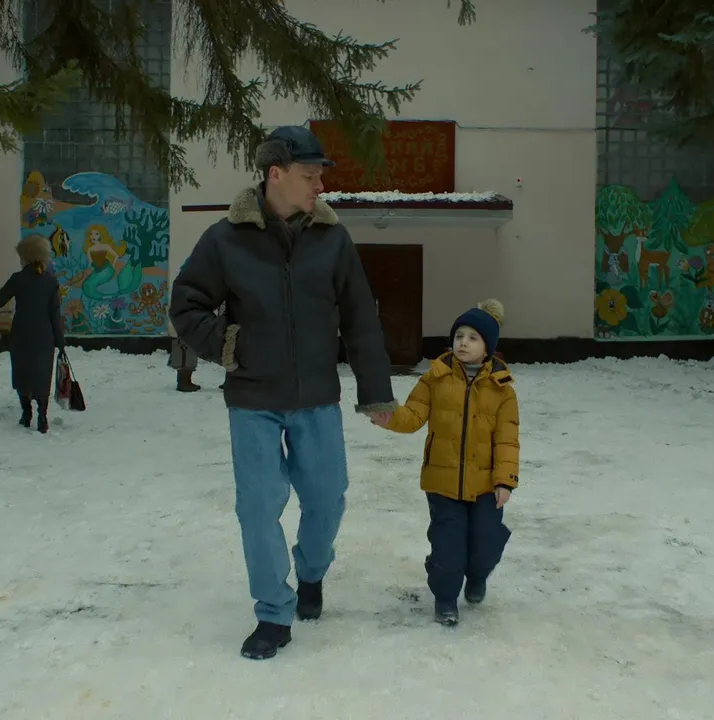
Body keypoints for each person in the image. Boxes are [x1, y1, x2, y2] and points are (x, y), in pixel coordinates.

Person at [168, 125, 396, 660]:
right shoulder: (226, 238)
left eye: (320, 176)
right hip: (253, 400)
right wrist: (230, 345)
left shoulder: (332, 239)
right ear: (276, 175)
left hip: (316, 396)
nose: (320, 185)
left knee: (327, 497)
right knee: (258, 506)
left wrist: (376, 392)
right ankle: (273, 612)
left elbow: (360, 318)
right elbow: (186, 303)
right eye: (310, 175)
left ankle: (311, 572)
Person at [372, 299, 519, 626]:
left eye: (473, 338)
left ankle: (477, 575)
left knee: (485, 542)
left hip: (486, 486)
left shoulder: (502, 390)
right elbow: (413, 415)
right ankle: (446, 598)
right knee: (447, 546)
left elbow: (507, 440)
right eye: (459, 336)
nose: (463, 343)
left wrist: (505, 480)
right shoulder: (435, 379)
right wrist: (390, 418)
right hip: (443, 481)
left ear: (488, 347)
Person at [0, 234, 66, 434]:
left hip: (21, 333)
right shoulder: (50, 281)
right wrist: (60, 341)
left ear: (25, 256)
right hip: (44, 335)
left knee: (22, 373)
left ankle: (26, 414)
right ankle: (42, 416)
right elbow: (55, 313)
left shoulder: (18, 279)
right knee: (42, 374)